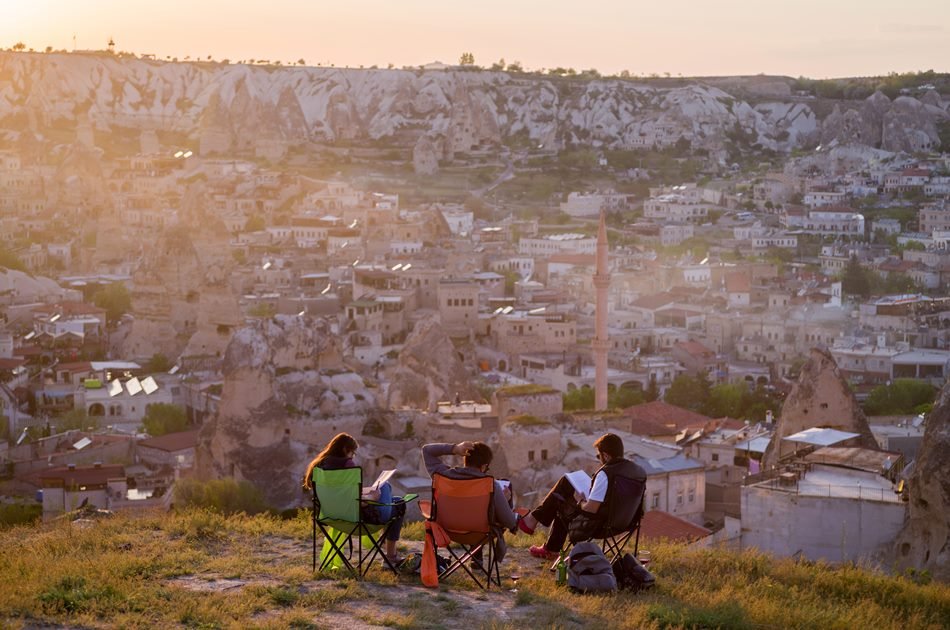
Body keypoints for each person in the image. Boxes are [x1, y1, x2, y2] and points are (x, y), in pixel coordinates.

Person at [518, 433, 647, 560]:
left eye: (599, 456)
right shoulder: (638, 472)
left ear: (606, 456)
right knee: (566, 483)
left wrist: (580, 501)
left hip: (600, 525)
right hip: (625, 523)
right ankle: (535, 523)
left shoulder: (606, 473)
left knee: (562, 501)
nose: (599, 459)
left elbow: (591, 508)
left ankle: (546, 541)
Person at [302, 432, 405, 564]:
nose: (353, 456)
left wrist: (364, 494)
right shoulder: (347, 465)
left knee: (395, 501)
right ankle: (391, 555)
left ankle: (390, 553)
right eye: (353, 453)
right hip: (356, 519)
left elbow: (342, 495)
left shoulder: (319, 466)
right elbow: (357, 504)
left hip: (332, 517)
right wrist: (372, 498)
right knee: (391, 493)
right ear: (346, 450)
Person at [422, 441, 521, 564]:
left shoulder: (443, 475)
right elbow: (510, 522)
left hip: (446, 530)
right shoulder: (491, 486)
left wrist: (455, 448)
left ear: (465, 460)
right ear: (484, 466)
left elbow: (427, 450)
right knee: (490, 514)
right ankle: (476, 555)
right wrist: (505, 501)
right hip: (480, 534)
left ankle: (476, 557)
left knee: (468, 510)